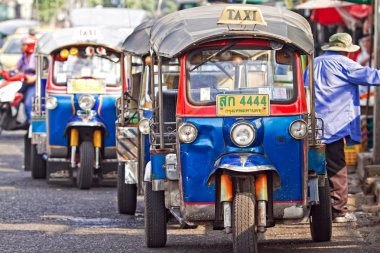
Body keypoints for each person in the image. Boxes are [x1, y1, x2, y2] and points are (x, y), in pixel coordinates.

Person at [304, 33, 380, 223]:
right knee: (337, 169)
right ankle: (338, 212)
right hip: (334, 125)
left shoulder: (314, 63)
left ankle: (312, 207)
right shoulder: (344, 63)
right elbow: (372, 76)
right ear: (346, 50)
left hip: (312, 125)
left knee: (312, 167)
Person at [16, 36, 37, 124]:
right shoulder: (24, 56)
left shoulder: (35, 57)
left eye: (24, 45)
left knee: (29, 103)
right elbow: (16, 67)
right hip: (24, 82)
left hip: (34, 84)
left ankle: (31, 125)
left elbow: (44, 71)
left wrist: (33, 78)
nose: (21, 47)